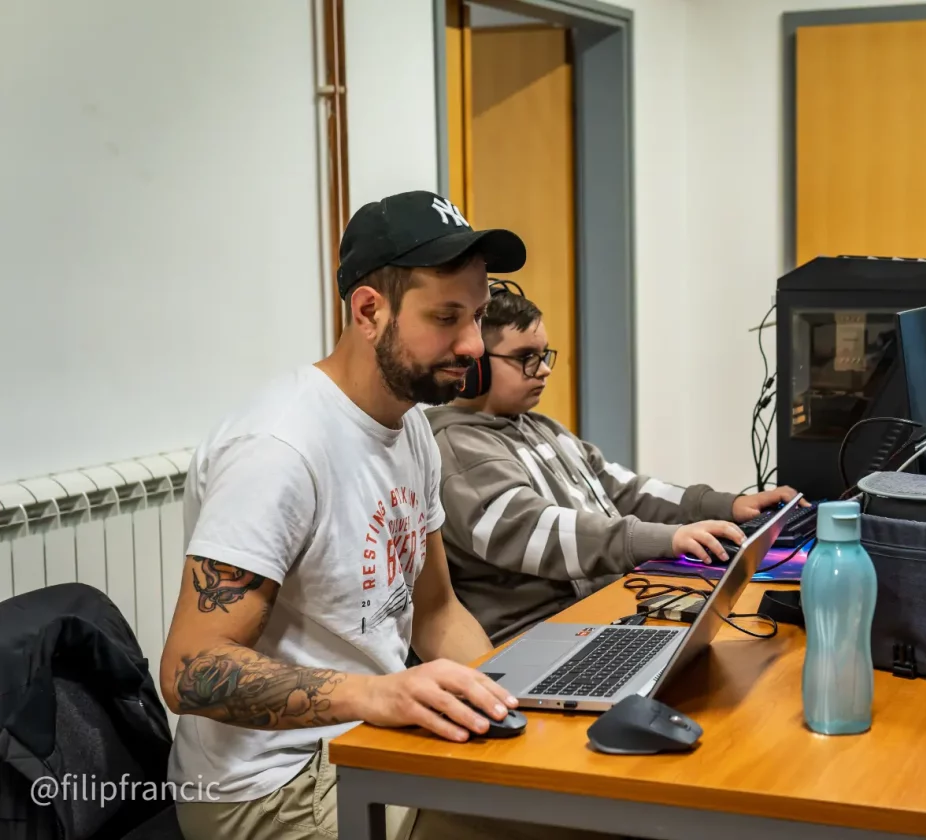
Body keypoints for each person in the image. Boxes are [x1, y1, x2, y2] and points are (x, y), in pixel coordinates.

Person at [160, 191, 617, 840]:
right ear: (370, 311)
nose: (471, 345)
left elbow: (436, 613)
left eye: (479, 317)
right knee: (570, 826)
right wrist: (373, 693)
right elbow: (188, 669)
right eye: (446, 317)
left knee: (587, 789)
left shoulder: (411, 430)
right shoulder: (278, 448)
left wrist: (511, 710)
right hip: (268, 790)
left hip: (364, 742)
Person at [426, 285, 804, 644]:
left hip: (598, 614)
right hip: (537, 636)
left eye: (543, 356)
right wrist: (660, 540)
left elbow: (622, 490)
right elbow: (533, 528)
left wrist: (729, 506)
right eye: (526, 358)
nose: (543, 370)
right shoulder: (457, 446)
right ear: (476, 365)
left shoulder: (541, 428)